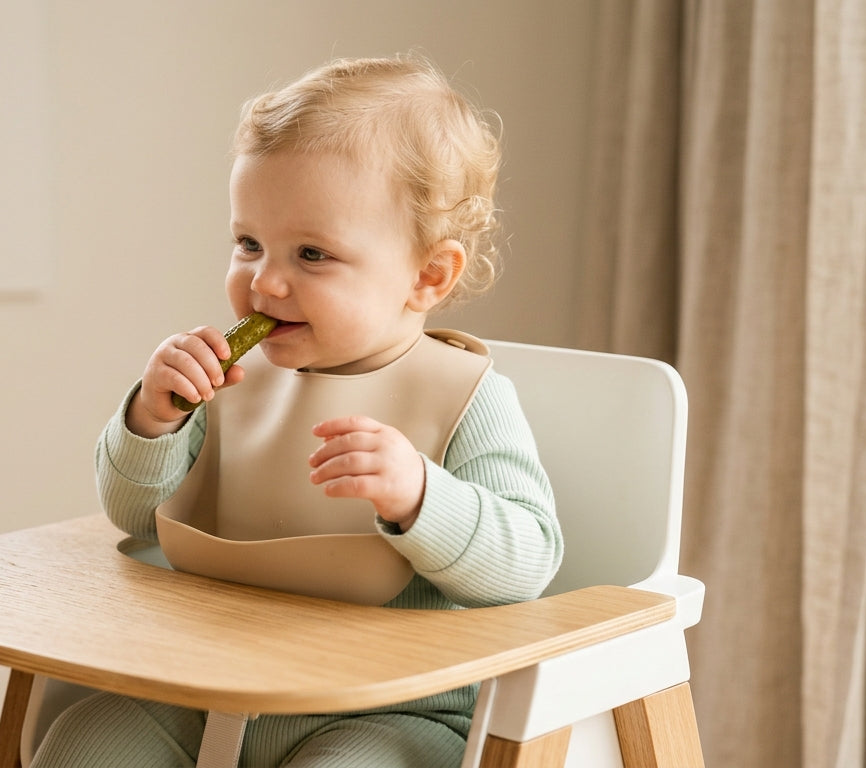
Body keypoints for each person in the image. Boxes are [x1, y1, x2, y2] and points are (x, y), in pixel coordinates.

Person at [31, 54, 562, 768]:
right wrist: (151, 423)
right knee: (83, 745)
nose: (265, 281)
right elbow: (132, 517)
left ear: (427, 275)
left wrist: (420, 497)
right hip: (199, 687)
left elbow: (529, 561)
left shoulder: (465, 394)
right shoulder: (226, 376)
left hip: (384, 712)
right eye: (249, 243)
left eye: (312, 254)